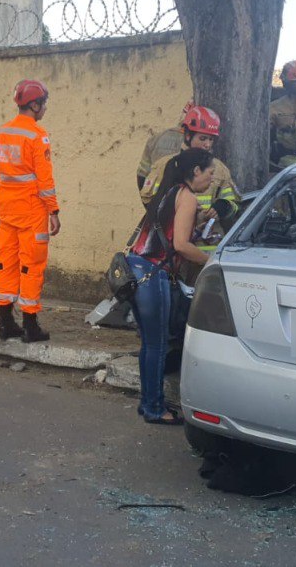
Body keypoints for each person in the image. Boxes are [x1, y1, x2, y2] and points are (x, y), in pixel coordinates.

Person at [126, 148, 215, 426]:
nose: (212, 179)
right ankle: (154, 408)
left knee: (149, 345)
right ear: (196, 171)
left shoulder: (170, 191)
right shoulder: (187, 197)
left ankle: (147, 403)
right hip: (153, 275)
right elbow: (181, 245)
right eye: (210, 172)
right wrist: (212, 262)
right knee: (158, 344)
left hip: (135, 269)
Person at [0, 79, 60, 343]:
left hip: (6, 211)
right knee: (31, 266)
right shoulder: (37, 136)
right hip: (31, 212)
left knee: (5, 264)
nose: (45, 109)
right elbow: (45, 179)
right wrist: (54, 210)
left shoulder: (0, 134)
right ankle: (30, 327)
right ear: (34, 104)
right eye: (44, 104)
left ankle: (6, 324)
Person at [139, 105, 239, 268]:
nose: (207, 144)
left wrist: (222, 207)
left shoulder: (219, 169)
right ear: (187, 135)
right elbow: (149, 201)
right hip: (172, 252)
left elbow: (234, 206)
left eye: (211, 139)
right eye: (202, 138)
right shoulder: (165, 165)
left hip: (204, 251)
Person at [137, 101, 193, 190]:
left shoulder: (157, 138)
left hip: (156, 198)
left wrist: (148, 200)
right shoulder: (194, 143)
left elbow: (142, 175)